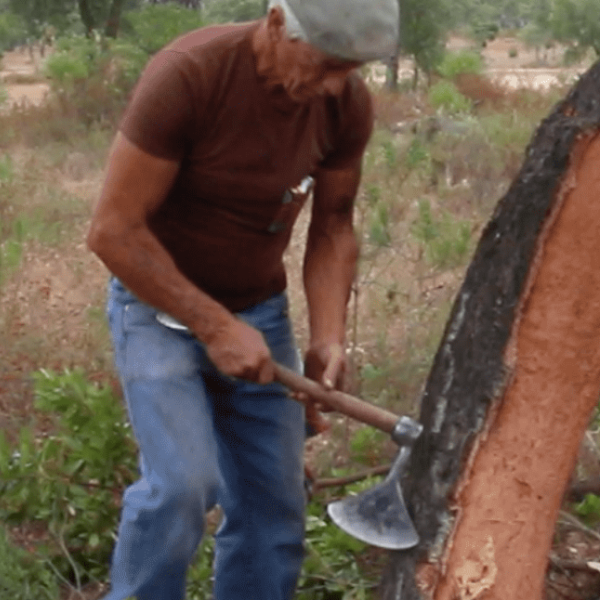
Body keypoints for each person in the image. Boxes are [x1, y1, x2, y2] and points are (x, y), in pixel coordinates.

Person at [82, 1, 395, 598]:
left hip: (259, 312)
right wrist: (215, 326)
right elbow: (113, 230)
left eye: (349, 71)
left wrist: (328, 335)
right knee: (180, 488)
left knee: (274, 505)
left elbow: (333, 224)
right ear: (278, 22)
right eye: (326, 65)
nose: (333, 86)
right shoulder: (190, 74)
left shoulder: (344, 103)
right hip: (157, 315)